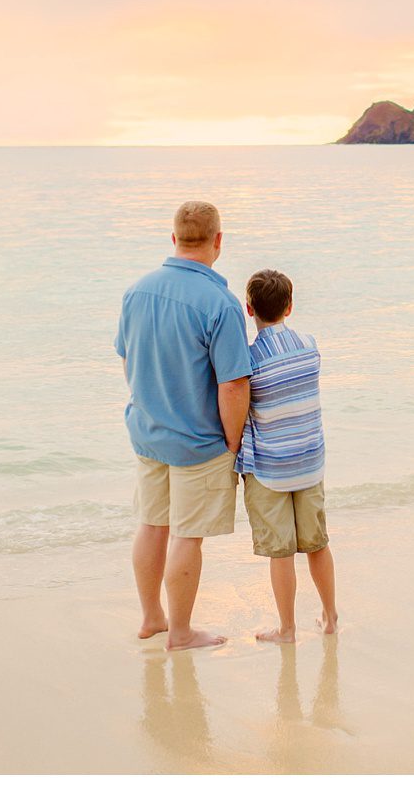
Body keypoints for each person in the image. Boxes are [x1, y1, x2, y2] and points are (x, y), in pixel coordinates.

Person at [114, 201, 251, 651]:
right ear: (218, 241)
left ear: (173, 239)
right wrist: (232, 442)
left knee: (152, 525)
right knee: (187, 536)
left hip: (147, 432)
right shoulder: (221, 303)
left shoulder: (137, 291)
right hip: (198, 441)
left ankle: (152, 617)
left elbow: (127, 356)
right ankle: (180, 632)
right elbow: (233, 385)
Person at [235, 268, 338, 644]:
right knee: (317, 544)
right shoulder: (309, 346)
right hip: (309, 463)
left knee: (282, 552)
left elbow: (240, 404)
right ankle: (329, 617)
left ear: (249, 310)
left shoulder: (249, 363)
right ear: (289, 307)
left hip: (271, 469)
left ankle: (287, 629)